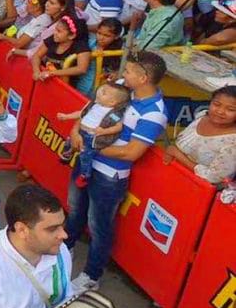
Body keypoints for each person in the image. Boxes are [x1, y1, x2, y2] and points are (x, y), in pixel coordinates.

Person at [66, 52, 167, 294]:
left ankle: (92, 275)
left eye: (129, 71)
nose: (123, 75)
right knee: (75, 209)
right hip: (85, 162)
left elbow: (131, 153)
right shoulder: (121, 87)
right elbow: (88, 111)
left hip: (109, 177)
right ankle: (65, 247)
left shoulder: (155, 113)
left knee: (99, 225)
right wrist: (76, 131)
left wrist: (90, 146)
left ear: (143, 78)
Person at [57, 82, 131, 188]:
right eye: (101, 89)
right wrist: (66, 116)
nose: (99, 92)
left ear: (112, 102)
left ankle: (84, 175)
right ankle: (68, 153)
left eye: (104, 93)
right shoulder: (94, 105)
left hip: (91, 136)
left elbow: (118, 127)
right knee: (70, 141)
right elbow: (81, 113)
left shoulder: (114, 114)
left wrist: (103, 131)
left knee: (85, 155)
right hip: (81, 131)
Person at [165, 85, 236, 184]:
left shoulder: (232, 142)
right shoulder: (202, 116)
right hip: (170, 173)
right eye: (216, 104)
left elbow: (214, 178)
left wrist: (178, 155)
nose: (220, 111)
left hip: (196, 188)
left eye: (230, 109)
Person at [29, 15, 91, 87]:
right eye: (55, 29)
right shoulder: (53, 39)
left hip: (65, 87)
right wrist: (36, 71)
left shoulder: (81, 46)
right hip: (45, 81)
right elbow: (37, 56)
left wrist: (52, 73)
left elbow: (82, 69)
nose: (54, 33)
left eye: (59, 31)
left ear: (71, 36)